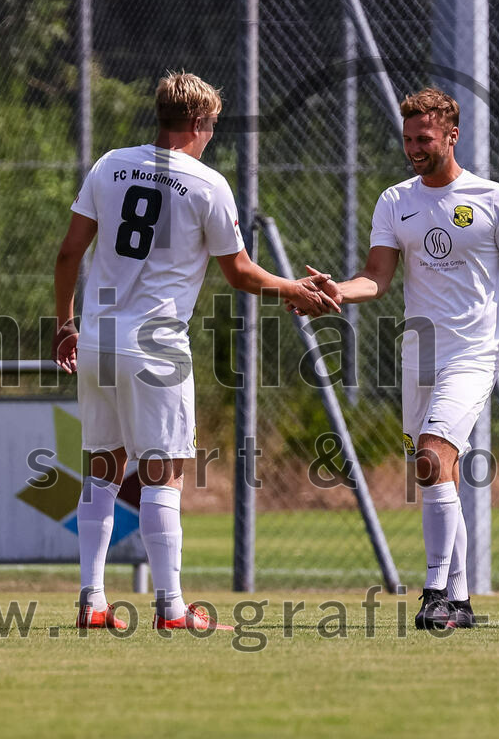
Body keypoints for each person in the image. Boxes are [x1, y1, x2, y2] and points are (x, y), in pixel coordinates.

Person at [53, 71, 335, 631]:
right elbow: (240, 273)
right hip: (155, 346)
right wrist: (295, 289)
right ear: (200, 124)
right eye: (212, 127)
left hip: (98, 339)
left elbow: (68, 255)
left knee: (101, 470)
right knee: (163, 475)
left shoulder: (109, 165)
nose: (212, 137)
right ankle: (172, 609)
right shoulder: (206, 185)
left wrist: (65, 326)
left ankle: (92, 601)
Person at [302, 87, 499, 630]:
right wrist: (338, 292)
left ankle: (433, 591)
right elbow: (377, 277)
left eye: (424, 137)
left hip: (473, 354)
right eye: (408, 137)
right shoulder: (395, 201)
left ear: (451, 135)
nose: (413, 146)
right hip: (418, 357)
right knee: (439, 474)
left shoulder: (494, 198)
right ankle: (458, 603)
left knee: (434, 456)